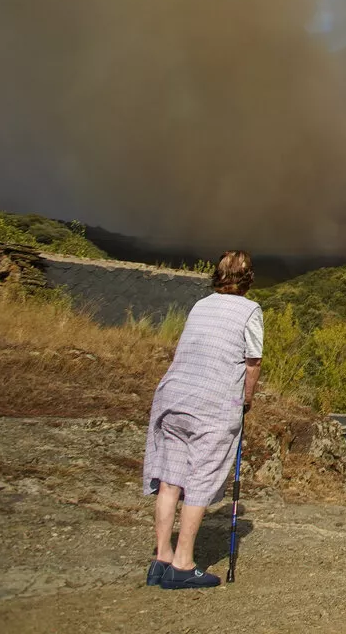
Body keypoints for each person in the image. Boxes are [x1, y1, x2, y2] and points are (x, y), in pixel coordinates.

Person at [142, 250, 263, 589]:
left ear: (217, 276)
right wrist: (246, 399)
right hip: (212, 403)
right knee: (200, 478)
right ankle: (183, 564)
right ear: (248, 278)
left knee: (170, 479)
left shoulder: (200, 305)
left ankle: (161, 559)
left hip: (173, 396)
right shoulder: (250, 310)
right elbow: (252, 361)